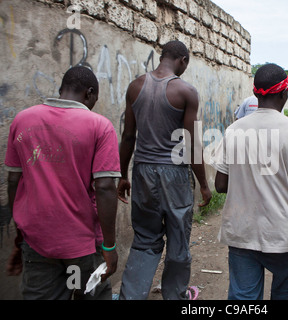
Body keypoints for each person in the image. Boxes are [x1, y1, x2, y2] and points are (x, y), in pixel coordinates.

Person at [5, 66, 120, 300]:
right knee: (87, 291)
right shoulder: (99, 126)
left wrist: (20, 235)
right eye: (95, 99)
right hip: (82, 243)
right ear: (89, 93)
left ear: (61, 90)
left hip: (37, 240)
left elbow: (14, 181)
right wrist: (109, 246)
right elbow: (105, 187)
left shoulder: (22, 120)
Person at [118, 40, 212, 300]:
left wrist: (122, 174)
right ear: (182, 60)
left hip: (143, 171)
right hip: (175, 175)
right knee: (178, 240)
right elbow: (191, 144)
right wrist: (203, 184)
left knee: (145, 239)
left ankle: (131, 296)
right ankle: (175, 296)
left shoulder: (135, 86)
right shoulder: (185, 91)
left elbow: (128, 137)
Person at [212, 63, 288, 300]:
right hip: (280, 233)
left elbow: (221, 185)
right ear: (284, 93)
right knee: (284, 293)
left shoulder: (234, 130)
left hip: (240, 229)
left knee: (243, 296)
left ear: (256, 92)